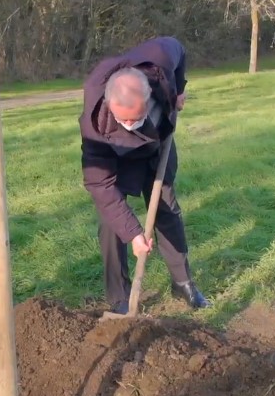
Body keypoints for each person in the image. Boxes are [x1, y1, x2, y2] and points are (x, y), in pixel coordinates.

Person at [79, 36, 210, 315]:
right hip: (117, 156)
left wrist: (179, 91)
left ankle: (182, 282)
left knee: (167, 209)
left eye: (134, 118)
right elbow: (99, 184)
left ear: (147, 95)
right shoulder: (95, 126)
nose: (128, 124)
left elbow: (180, 48)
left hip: (157, 144)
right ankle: (119, 296)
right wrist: (134, 234)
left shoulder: (159, 57)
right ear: (109, 103)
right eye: (122, 119)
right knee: (111, 222)